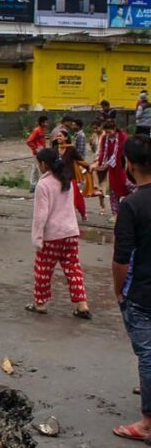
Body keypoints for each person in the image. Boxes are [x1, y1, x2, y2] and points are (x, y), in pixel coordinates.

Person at [112, 135, 151, 441]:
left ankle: (147, 423)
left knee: (148, 354)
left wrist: (118, 291)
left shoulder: (132, 205)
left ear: (130, 164)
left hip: (142, 292)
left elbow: (122, 258)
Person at [28, 148, 91, 318]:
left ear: (44, 164)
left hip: (53, 234)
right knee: (73, 268)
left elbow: (41, 215)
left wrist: (38, 237)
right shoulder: (66, 180)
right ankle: (82, 304)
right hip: (70, 232)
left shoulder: (44, 184)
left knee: (43, 269)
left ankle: (40, 303)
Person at [97, 119, 131, 218]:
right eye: (106, 132)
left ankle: (129, 212)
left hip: (122, 166)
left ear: (115, 129)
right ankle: (115, 213)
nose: (108, 134)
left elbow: (126, 151)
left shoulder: (122, 136)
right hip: (112, 168)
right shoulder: (105, 139)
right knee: (113, 191)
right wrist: (99, 163)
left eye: (109, 131)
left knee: (128, 187)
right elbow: (103, 152)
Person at [56, 131, 92, 222]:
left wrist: (88, 167)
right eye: (57, 136)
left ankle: (83, 214)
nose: (58, 138)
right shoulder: (55, 149)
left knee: (76, 198)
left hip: (70, 178)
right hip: (59, 178)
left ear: (66, 138)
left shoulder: (71, 149)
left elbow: (80, 160)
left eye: (60, 136)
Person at [27, 116, 50, 192]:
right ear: (42, 122)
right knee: (39, 168)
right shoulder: (37, 130)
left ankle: (33, 185)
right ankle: (38, 186)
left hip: (41, 152)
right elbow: (29, 141)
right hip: (38, 153)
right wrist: (36, 149)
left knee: (35, 168)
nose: (47, 124)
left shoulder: (43, 130)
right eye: (46, 122)